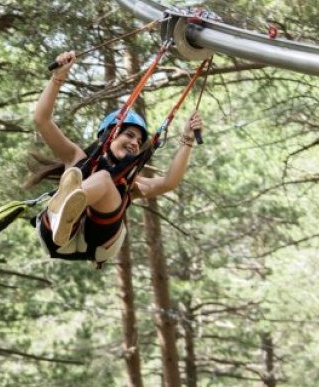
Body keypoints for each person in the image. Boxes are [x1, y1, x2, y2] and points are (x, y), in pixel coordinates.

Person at [26, 50, 204, 264]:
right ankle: (62, 215)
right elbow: (42, 120)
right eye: (129, 135)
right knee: (96, 176)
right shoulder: (76, 158)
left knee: (105, 180)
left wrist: (187, 139)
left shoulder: (131, 183)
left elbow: (169, 182)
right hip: (55, 236)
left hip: (98, 242)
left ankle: (66, 208)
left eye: (139, 141)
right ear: (108, 135)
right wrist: (58, 77)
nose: (135, 143)